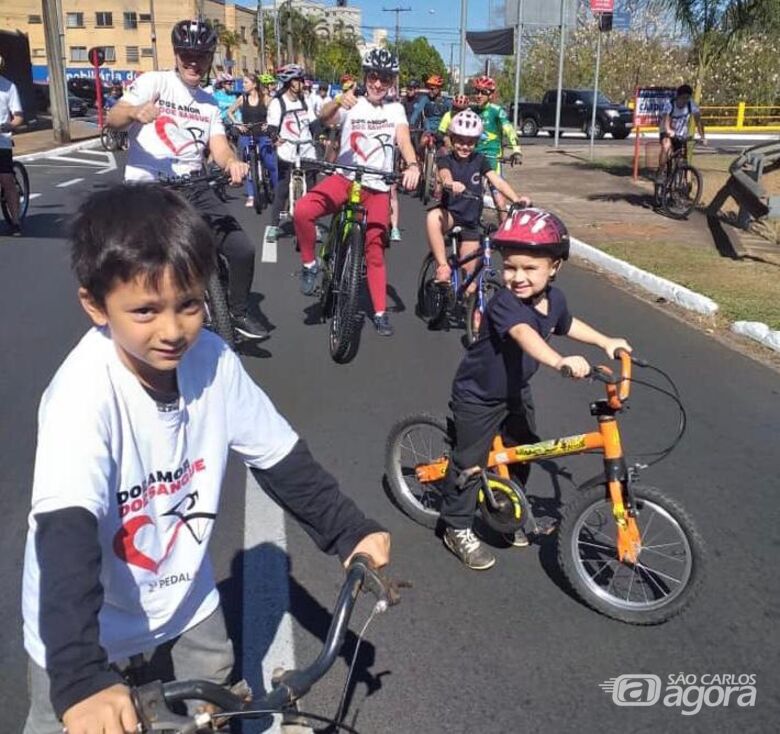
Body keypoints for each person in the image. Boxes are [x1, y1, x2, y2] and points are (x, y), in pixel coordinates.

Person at [21, 184, 391, 734]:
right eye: (144, 310)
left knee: (216, 703)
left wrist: (348, 531)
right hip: (84, 624)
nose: (172, 331)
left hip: (184, 598)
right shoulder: (82, 397)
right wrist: (78, 677)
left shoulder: (214, 362)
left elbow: (281, 459)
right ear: (95, 306)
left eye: (189, 305)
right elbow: (65, 533)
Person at [439, 208, 632, 569]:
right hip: (478, 395)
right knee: (469, 464)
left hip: (514, 390)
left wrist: (605, 341)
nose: (517, 277)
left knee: (522, 449)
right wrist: (559, 362)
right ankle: (456, 526)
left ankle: (509, 507)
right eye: (510, 267)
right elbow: (525, 336)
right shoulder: (504, 304)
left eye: (530, 268)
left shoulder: (554, 300)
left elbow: (567, 323)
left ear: (554, 267)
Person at [105, 18, 268, 342]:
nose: (193, 62)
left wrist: (232, 162)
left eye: (201, 55)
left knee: (242, 249)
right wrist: (136, 113)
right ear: (177, 55)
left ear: (210, 59)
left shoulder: (208, 103)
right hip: (149, 188)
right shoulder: (155, 82)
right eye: (186, 55)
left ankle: (236, 311)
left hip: (194, 185)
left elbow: (218, 145)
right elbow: (114, 117)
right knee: (148, 267)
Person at [293, 48, 420, 336]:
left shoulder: (395, 109)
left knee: (375, 251)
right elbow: (324, 119)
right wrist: (337, 101)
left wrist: (412, 165)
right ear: (365, 77)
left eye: (385, 79)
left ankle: (378, 312)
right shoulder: (351, 103)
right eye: (373, 77)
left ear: (392, 82)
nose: (377, 84)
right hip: (346, 180)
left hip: (377, 187)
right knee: (302, 210)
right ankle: (311, 264)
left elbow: (403, 139)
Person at [427, 110, 530, 288]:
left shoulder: (480, 160)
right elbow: (444, 175)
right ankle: (443, 266)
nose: (465, 147)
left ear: (476, 142)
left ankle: (472, 311)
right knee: (432, 218)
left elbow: (496, 180)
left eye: (470, 142)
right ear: (451, 139)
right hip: (450, 214)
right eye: (460, 141)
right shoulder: (446, 159)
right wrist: (451, 184)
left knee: (470, 282)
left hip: (470, 221)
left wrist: (516, 199)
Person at [263, 63, 316, 247]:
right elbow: (271, 127)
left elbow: (313, 124)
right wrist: (274, 138)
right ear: (289, 82)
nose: (303, 83)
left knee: (311, 190)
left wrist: (323, 135)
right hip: (287, 151)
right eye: (299, 80)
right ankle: (274, 225)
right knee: (283, 189)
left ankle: (311, 225)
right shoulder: (278, 103)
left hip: (307, 150)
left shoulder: (305, 100)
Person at [471, 75, 523, 220]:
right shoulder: (472, 111)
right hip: (475, 159)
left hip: (493, 160)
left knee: (500, 204)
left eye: (483, 92)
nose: (479, 95)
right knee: (473, 199)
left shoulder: (496, 110)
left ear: (491, 95)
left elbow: (509, 129)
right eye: (477, 91)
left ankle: (503, 235)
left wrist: (516, 150)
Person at [227, 72, 278, 208]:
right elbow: (229, 112)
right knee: (248, 164)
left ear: (254, 84)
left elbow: (275, 112)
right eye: (243, 82)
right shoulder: (242, 98)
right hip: (247, 135)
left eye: (246, 82)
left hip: (262, 135)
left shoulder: (266, 99)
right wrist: (238, 123)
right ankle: (251, 194)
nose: (243, 85)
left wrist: (269, 123)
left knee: (270, 163)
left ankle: (276, 190)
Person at [656, 83, 707, 180]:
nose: (685, 101)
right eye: (683, 98)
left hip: (681, 132)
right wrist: (669, 130)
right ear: (678, 97)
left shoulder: (691, 104)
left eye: (687, 98)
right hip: (666, 129)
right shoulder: (670, 104)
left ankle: (680, 179)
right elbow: (666, 120)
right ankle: (661, 172)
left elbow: (698, 121)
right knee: (666, 146)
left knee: (681, 156)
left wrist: (702, 136)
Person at [0, 53, 24, 236]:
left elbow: (18, 117)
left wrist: (9, 125)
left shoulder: (8, 87)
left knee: (6, 179)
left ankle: (15, 220)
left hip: (2, 141)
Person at [410, 74, 450, 157]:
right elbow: (417, 111)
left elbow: (452, 114)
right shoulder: (425, 99)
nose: (430, 91)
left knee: (448, 147)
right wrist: (411, 123)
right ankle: (419, 159)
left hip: (441, 131)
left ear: (439, 89)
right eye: (429, 88)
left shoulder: (446, 101)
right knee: (423, 142)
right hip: (428, 129)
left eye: (432, 89)